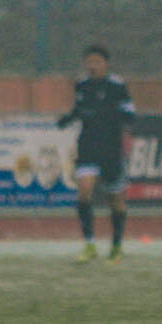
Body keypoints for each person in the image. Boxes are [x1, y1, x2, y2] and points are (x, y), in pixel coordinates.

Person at [57, 44, 136, 264]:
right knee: (84, 191)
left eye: (98, 62)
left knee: (115, 200)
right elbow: (79, 109)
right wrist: (68, 119)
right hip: (88, 146)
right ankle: (89, 244)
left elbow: (129, 115)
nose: (93, 65)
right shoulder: (82, 86)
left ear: (106, 64)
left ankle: (116, 245)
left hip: (110, 148)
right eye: (90, 61)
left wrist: (106, 115)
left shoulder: (116, 86)